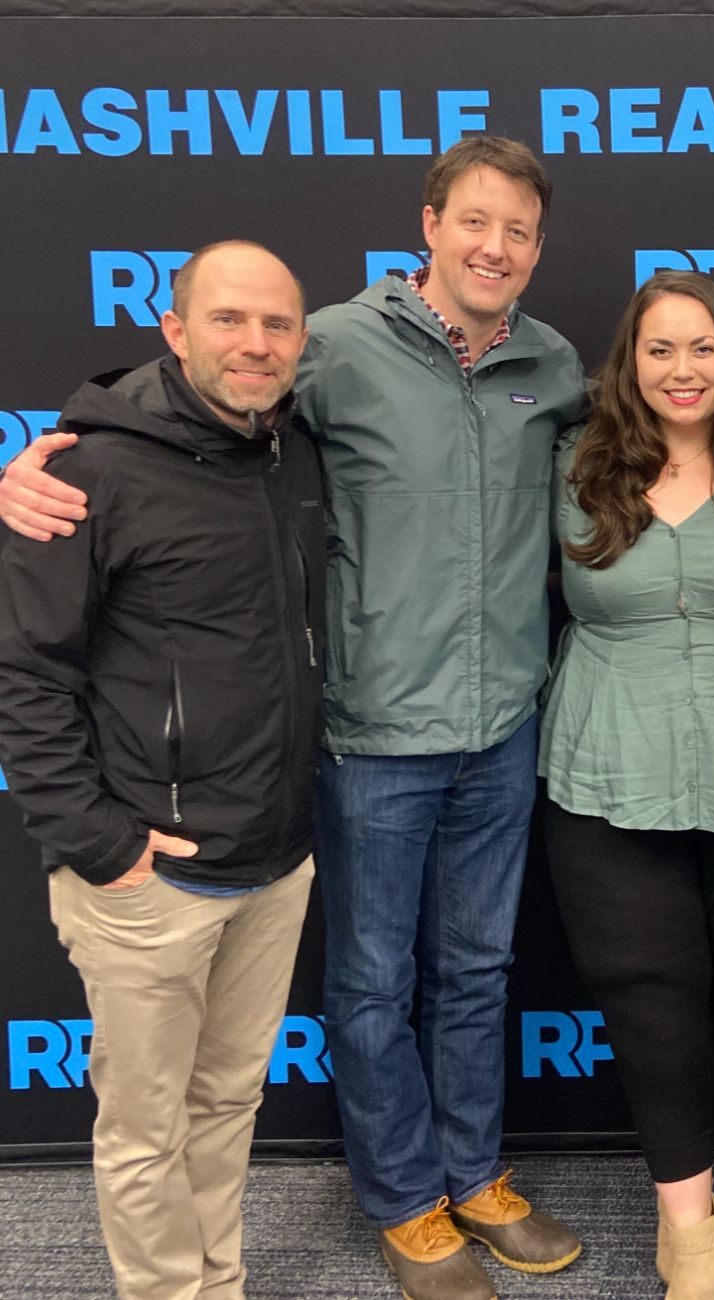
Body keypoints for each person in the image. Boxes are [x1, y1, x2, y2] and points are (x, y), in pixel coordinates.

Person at [0, 136, 587, 1300]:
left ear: (536, 247)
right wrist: (45, 462)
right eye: (474, 221)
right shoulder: (330, 344)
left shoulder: (553, 362)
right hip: (369, 737)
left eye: (518, 229)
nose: (495, 246)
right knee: (370, 988)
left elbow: (650, 438)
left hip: (502, 729)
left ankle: (474, 1174)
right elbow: (197, 403)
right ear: (429, 224)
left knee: (477, 972)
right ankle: (406, 1201)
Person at [0, 241, 323, 1300]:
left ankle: (216, 1286)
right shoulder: (87, 471)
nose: (255, 343)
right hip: (150, 878)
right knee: (144, 1132)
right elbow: (26, 671)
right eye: (229, 319)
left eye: (277, 324)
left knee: (226, 1104)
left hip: (275, 861)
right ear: (176, 329)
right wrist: (98, 843)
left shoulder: (293, 451)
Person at [540, 270, 714, 1299]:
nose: (681, 369)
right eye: (659, 349)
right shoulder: (571, 461)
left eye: (702, 347)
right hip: (606, 767)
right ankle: (691, 1233)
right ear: (629, 361)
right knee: (650, 997)